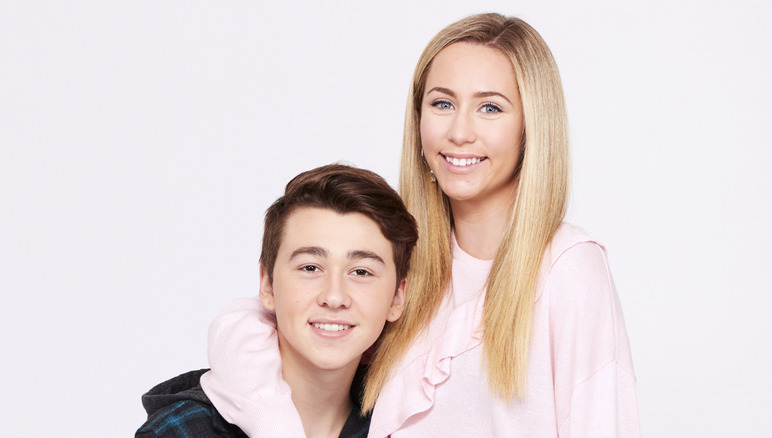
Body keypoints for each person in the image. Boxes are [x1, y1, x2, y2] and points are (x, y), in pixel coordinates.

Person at [205, 13, 640, 438]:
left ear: (531, 127)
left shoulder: (567, 268)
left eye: (490, 107)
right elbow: (248, 327)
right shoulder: (404, 257)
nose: (459, 132)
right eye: (442, 103)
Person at [135, 164, 418, 438]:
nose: (334, 297)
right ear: (267, 284)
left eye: (361, 272)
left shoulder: (410, 425)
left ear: (397, 297)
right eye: (310, 267)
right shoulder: (183, 431)